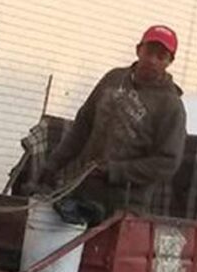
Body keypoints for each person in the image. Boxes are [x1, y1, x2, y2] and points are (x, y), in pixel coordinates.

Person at [35, 25, 187, 223]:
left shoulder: (171, 105)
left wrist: (115, 171)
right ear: (138, 49)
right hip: (82, 190)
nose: (152, 60)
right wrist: (52, 165)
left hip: (124, 207)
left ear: (170, 61)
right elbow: (82, 125)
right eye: (149, 51)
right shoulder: (113, 79)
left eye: (161, 56)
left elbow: (167, 163)